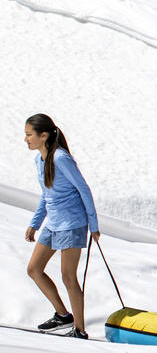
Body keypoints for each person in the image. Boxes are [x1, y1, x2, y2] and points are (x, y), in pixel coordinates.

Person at [23, 114, 100, 339]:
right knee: (34, 269)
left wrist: (93, 226)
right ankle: (62, 315)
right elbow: (47, 195)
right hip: (53, 224)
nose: (26, 139)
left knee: (68, 277)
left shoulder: (60, 158)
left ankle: (79, 329)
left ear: (43, 135)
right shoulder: (40, 160)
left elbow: (83, 189)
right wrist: (35, 223)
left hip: (72, 224)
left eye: (29, 135)